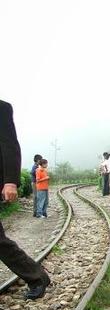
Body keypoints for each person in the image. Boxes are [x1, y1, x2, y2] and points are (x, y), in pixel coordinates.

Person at [0, 99, 50, 299]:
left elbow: (9, 145)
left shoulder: (1, 108)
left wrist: (11, 182)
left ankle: (37, 277)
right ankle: (36, 277)